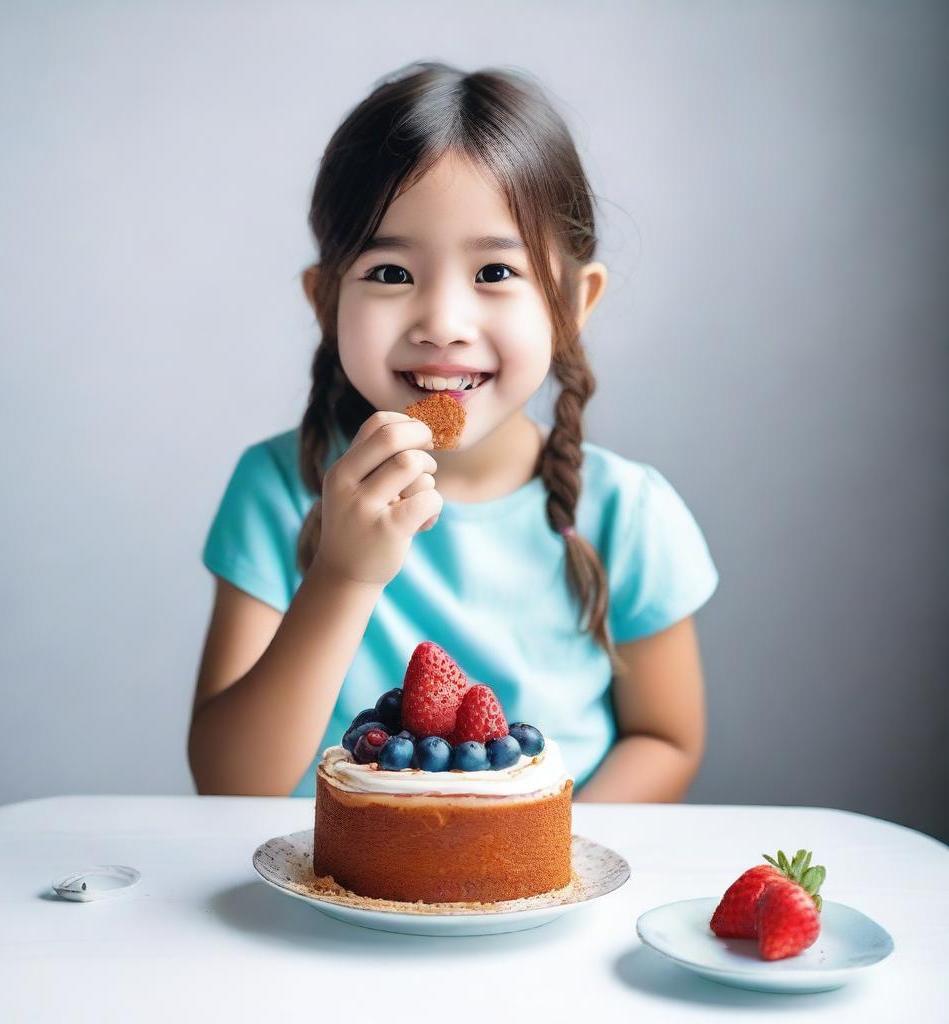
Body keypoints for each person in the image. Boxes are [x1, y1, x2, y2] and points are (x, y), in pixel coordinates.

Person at [188, 61, 718, 803]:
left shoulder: (629, 514)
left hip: (547, 902)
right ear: (326, 300)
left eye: (496, 272)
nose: (442, 323)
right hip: (339, 902)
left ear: (575, 300)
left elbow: (666, 738)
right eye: (391, 274)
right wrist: (344, 574)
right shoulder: (278, 490)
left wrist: (535, 857)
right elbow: (231, 784)